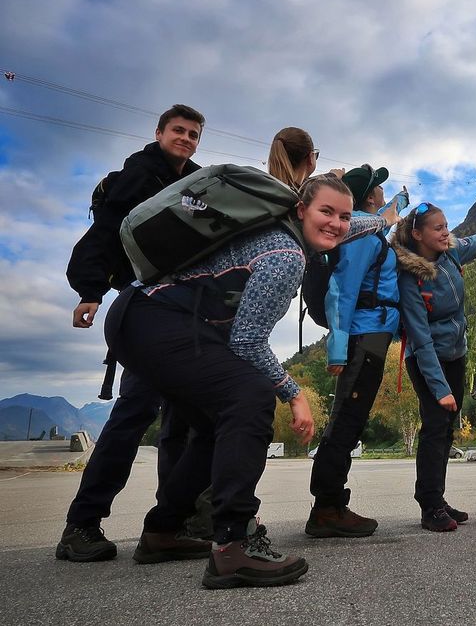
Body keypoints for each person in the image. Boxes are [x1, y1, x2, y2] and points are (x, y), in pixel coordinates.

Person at [106, 128, 393, 589]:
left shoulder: (294, 232)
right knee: (251, 397)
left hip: (140, 317)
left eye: (343, 215)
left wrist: (381, 220)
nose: (337, 224)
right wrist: (294, 394)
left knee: (210, 427)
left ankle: (163, 530)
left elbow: (347, 227)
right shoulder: (285, 255)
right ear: (299, 210)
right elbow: (247, 343)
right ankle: (233, 544)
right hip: (157, 321)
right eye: (326, 212)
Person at [59, 104, 207, 563]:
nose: (185, 139)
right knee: (136, 411)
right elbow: (105, 233)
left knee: (188, 417)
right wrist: (90, 291)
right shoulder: (138, 175)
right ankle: (81, 525)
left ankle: (171, 523)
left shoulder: (197, 184)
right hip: (146, 307)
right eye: (178, 130)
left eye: (193, 134)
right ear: (159, 132)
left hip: (186, 309)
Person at [306, 165, 407, 538]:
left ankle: (330, 504)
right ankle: (327, 507)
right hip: (362, 338)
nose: (383, 191)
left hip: (373, 336)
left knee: (352, 418)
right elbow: (342, 291)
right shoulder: (363, 237)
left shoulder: (372, 229)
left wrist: (402, 201)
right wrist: (336, 349)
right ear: (368, 197)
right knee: (346, 419)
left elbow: (391, 212)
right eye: (378, 187)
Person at [393, 202, 476, 531]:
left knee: (446, 430)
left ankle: (438, 498)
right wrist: (440, 388)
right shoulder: (409, 277)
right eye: (438, 228)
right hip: (426, 358)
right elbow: (420, 337)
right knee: (434, 425)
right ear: (418, 235)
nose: (446, 233)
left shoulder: (451, 252)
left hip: (455, 354)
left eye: (447, 226)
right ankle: (429, 505)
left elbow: (475, 242)